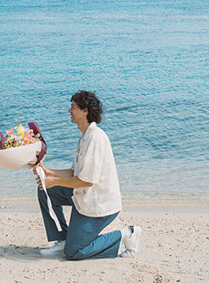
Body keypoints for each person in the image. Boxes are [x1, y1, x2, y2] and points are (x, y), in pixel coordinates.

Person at [33, 90, 141, 260]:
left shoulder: (95, 138)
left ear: (85, 111)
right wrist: (47, 172)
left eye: (73, 107)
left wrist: (53, 181)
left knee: (74, 252)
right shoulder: (84, 137)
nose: (69, 111)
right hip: (84, 195)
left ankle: (127, 234)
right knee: (46, 191)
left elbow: (87, 181)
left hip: (98, 204)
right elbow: (73, 172)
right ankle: (62, 240)